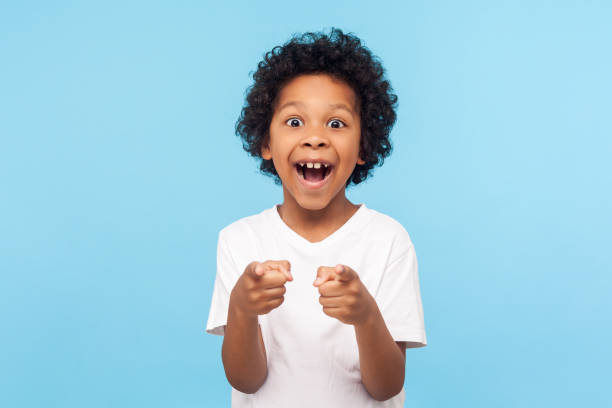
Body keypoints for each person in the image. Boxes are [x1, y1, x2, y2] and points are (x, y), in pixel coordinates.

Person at [206, 27, 427, 407]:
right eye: (295, 122)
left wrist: (365, 316)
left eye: (336, 123)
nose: (315, 138)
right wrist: (241, 309)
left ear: (363, 146)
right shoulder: (240, 240)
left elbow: (387, 386)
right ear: (265, 142)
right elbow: (246, 379)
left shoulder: (388, 239)